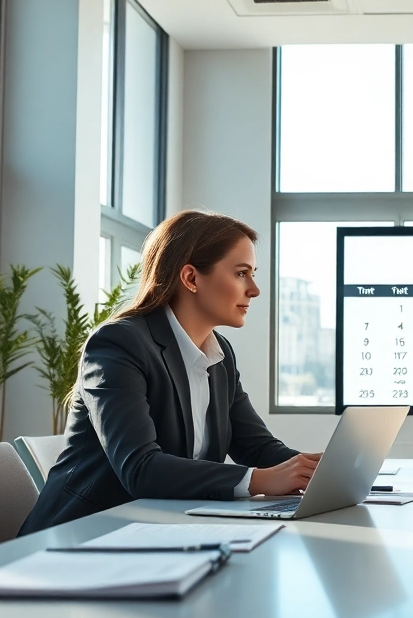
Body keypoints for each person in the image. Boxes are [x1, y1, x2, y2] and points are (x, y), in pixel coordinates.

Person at [18, 210, 318, 535]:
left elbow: (256, 446)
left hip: (162, 532)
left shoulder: (220, 354)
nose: (254, 289)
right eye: (241, 273)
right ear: (190, 278)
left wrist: (314, 471)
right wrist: (259, 480)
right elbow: (140, 468)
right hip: (81, 537)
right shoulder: (118, 343)